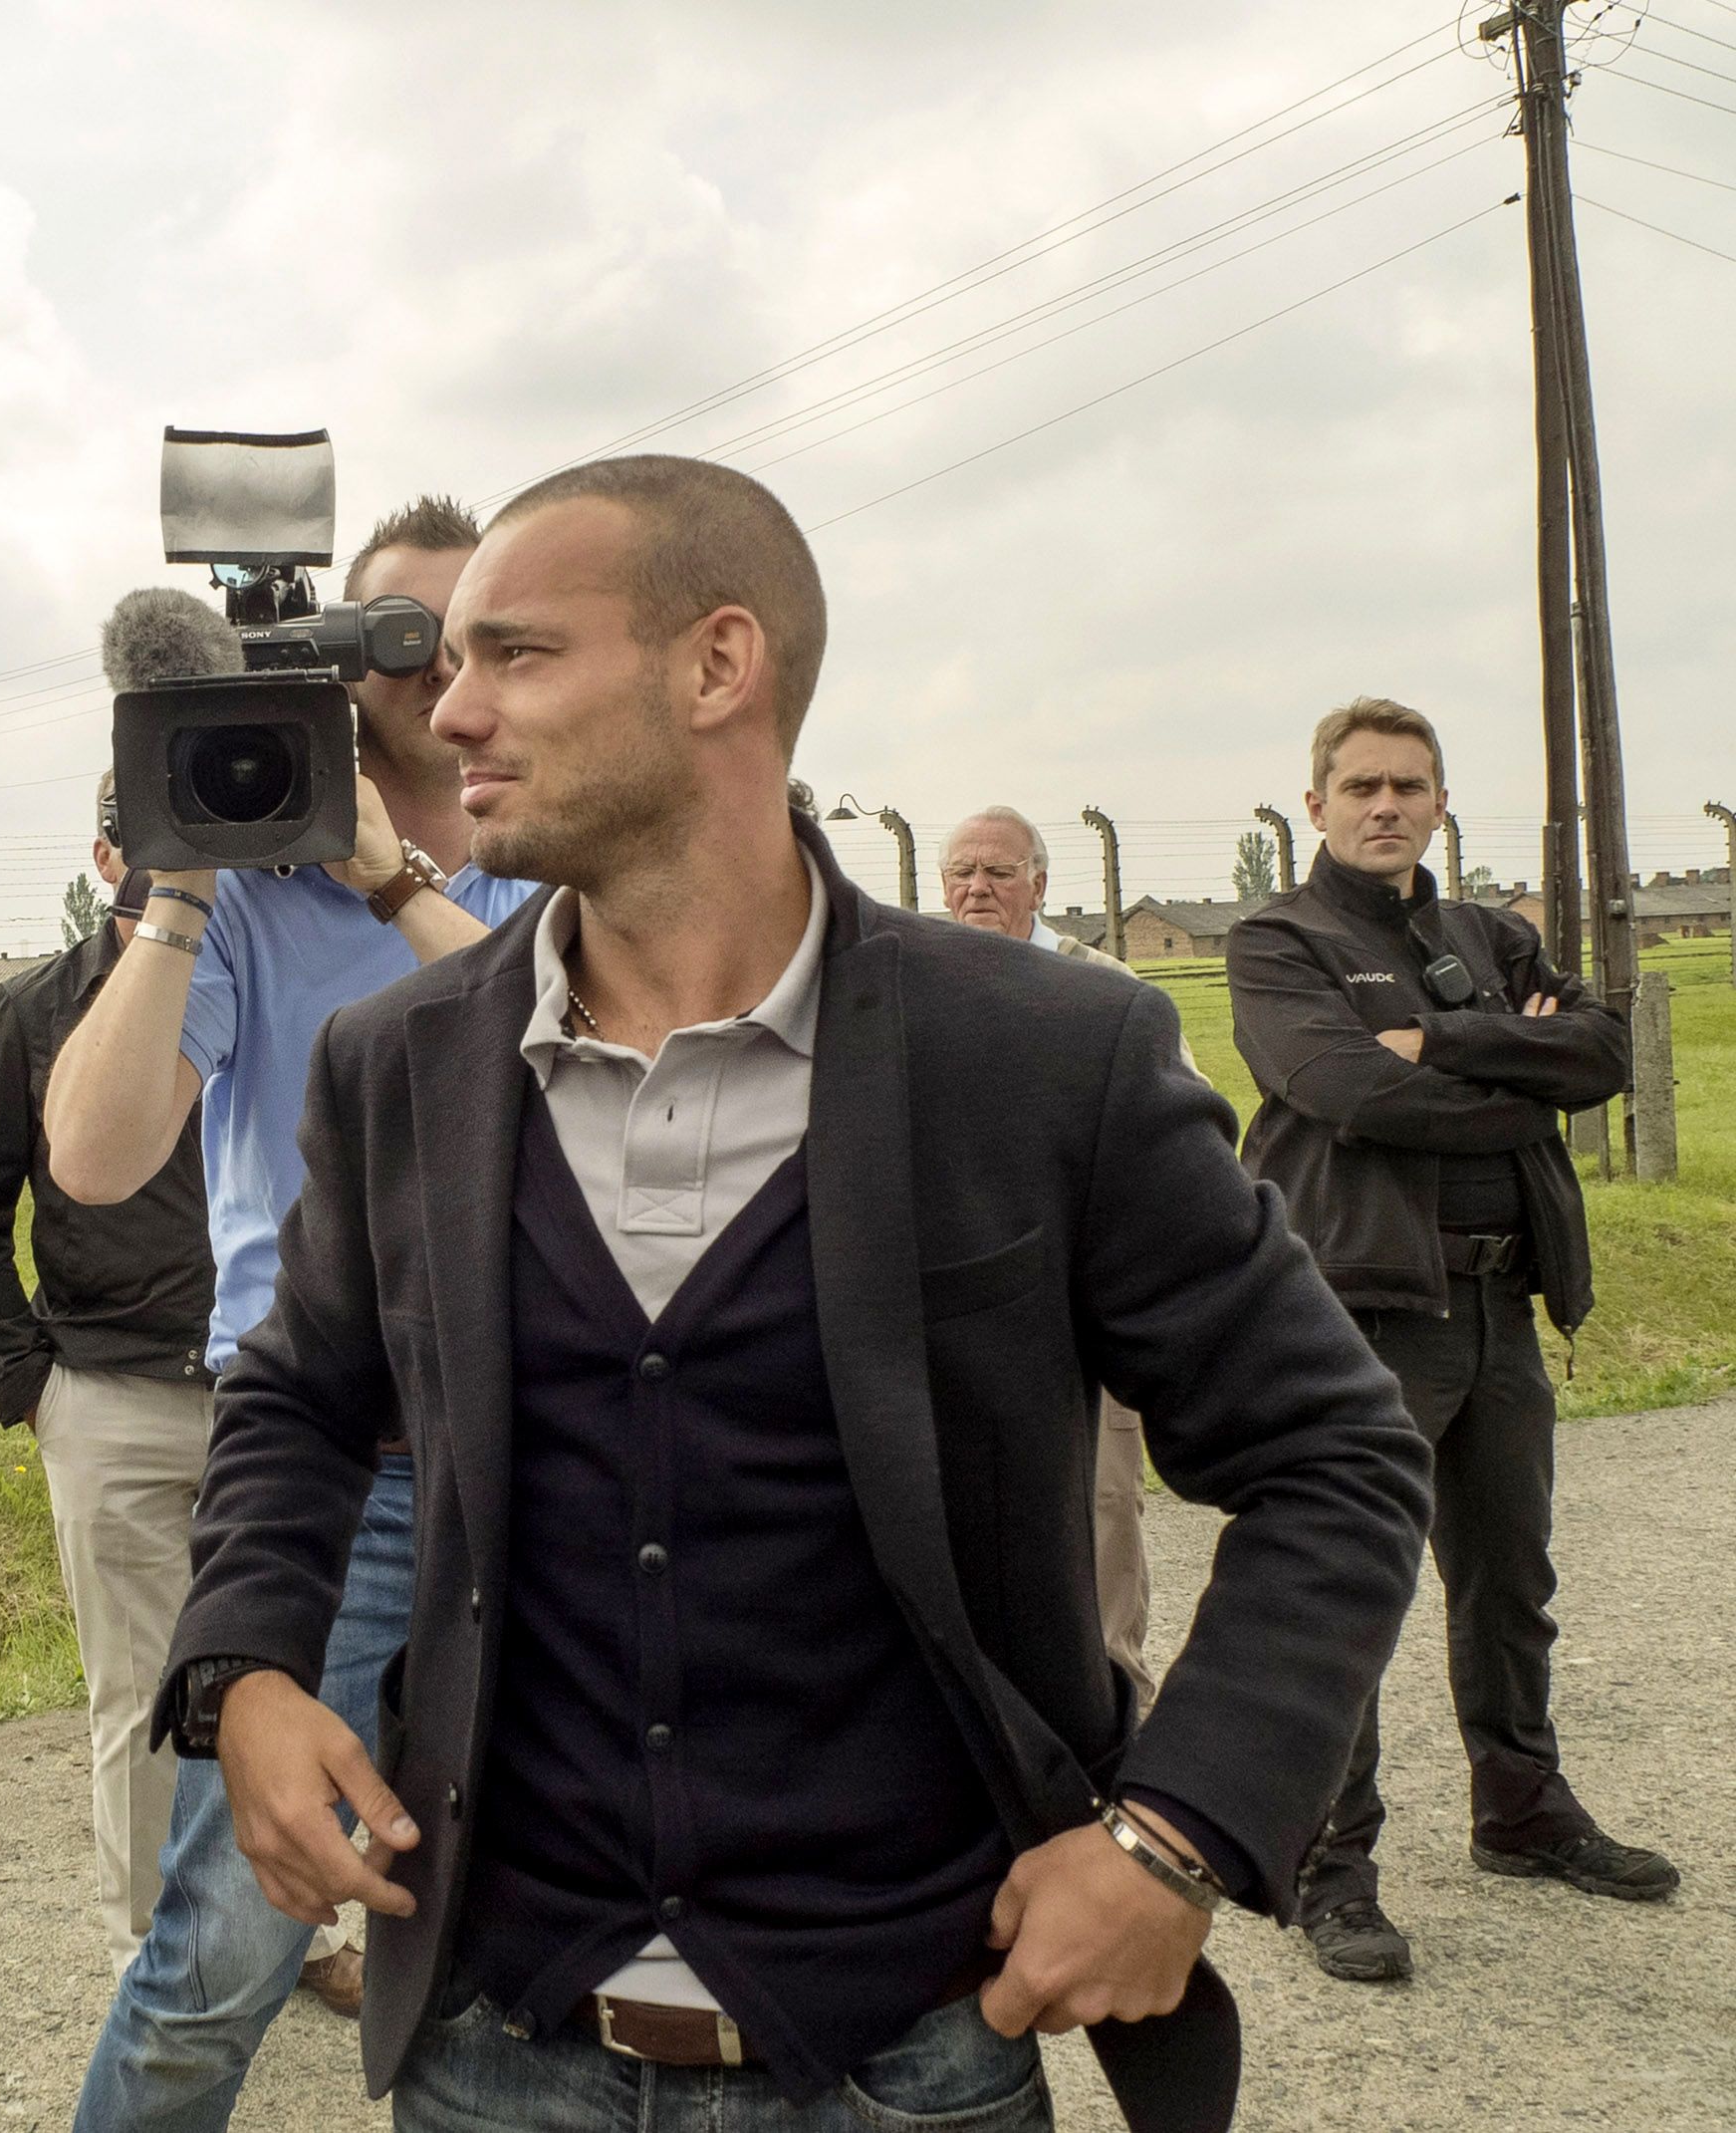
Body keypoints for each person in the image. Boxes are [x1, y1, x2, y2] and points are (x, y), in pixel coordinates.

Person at [160, 455, 1435, 2132]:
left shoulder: (1043, 1056)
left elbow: (1335, 1455)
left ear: (718, 665)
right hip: (497, 2055)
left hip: (910, 2053)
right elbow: (301, 1392)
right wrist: (248, 1668)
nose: (449, 713)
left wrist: (1173, 1836)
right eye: (450, 662)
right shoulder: (399, 1063)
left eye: (514, 655)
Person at [48, 497, 540, 2132]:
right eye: (402, 633)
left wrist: (397, 882)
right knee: (221, 1954)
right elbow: (98, 1153)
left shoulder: (557, 875)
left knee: (520, 1928)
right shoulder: (250, 904)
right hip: (342, 1476)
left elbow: (560, 1078)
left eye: (481, 633)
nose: (441, 668)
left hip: (549, 1454)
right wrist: (181, 882)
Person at [1227, 697, 1678, 1987]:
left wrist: (1458, 1044)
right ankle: (1331, 1866)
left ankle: (1521, 1810)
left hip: (1498, 1307)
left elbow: (1597, 1048)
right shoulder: (1279, 939)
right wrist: (1517, 1087)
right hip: (1363, 1314)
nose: (1386, 805)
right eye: (1360, 785)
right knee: (1351, 1593)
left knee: (1509, 1580)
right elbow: (1345, 1089)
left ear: (1438, 802)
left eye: (1409, 786)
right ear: (1313, 804)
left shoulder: (1484, 934)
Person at [0, 786, 216, 1976]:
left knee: (296, 1675)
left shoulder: (270, 979)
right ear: (108, 854)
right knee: (143, 1702)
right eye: (153, 842)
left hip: (287, 1396)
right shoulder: (32, 1011)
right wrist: (30, 1384)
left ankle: (294, 1932)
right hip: (111, 1397)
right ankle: (156, 1951)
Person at [937, 804, 1208, 1715]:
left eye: (999, 872)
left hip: (1082, 1302)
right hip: (957, 1303)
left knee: (1097, 1509)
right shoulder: (915, 982)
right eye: (960, 872)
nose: (977, 887)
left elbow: (1185, 1134)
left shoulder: (1106, 992)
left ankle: (1111, 1708)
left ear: (1041, 886)